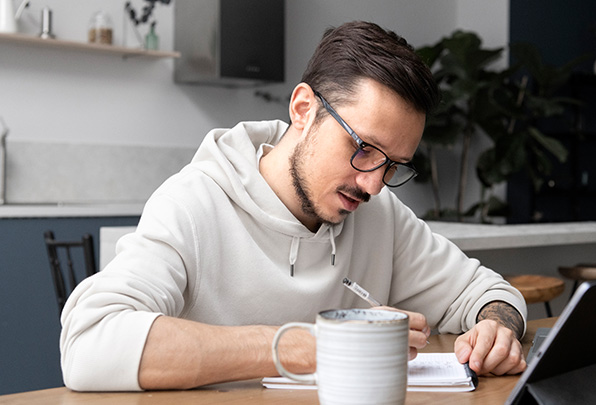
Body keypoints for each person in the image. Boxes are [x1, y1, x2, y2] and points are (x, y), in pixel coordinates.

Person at [60, 21, 527, 391]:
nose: (373, 185)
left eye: (392, 165)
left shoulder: (380, 215)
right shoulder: (194, 203)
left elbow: (490, 292)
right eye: (363, 147)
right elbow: (90, 344)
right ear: (304, 110)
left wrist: (496, 329)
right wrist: (311, 346)